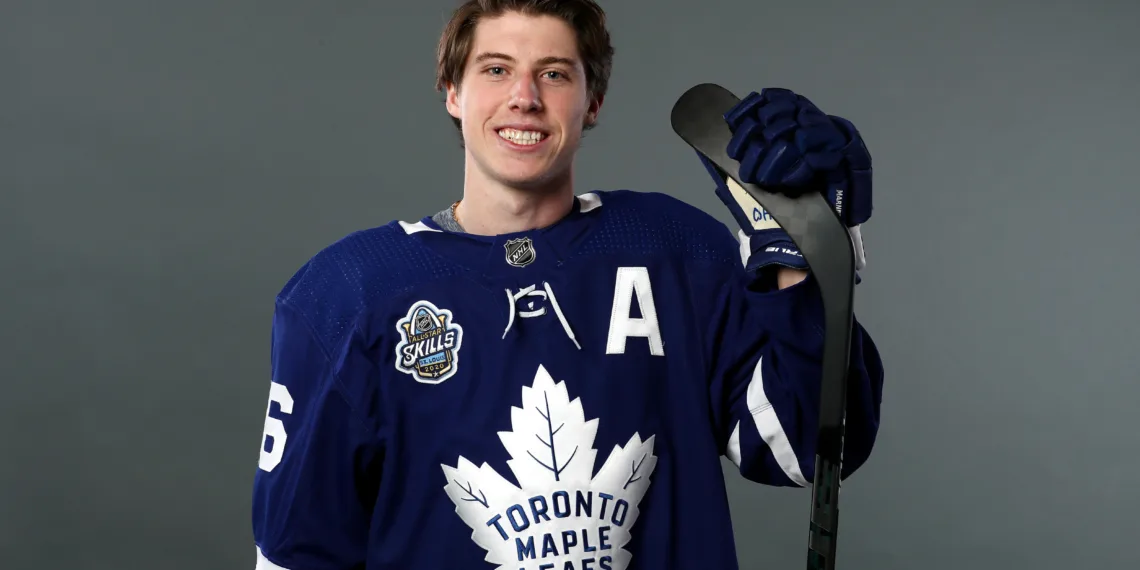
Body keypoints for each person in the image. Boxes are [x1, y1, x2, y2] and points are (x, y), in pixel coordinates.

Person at [249, 1, 885, 569]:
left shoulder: (675, 251)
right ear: (452, 92)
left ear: (593, 101)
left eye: (554, 73)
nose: (524, 96)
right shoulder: (348, 292)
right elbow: (302, 552)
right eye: (495, 70)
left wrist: (802, 260)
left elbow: (802, 449)